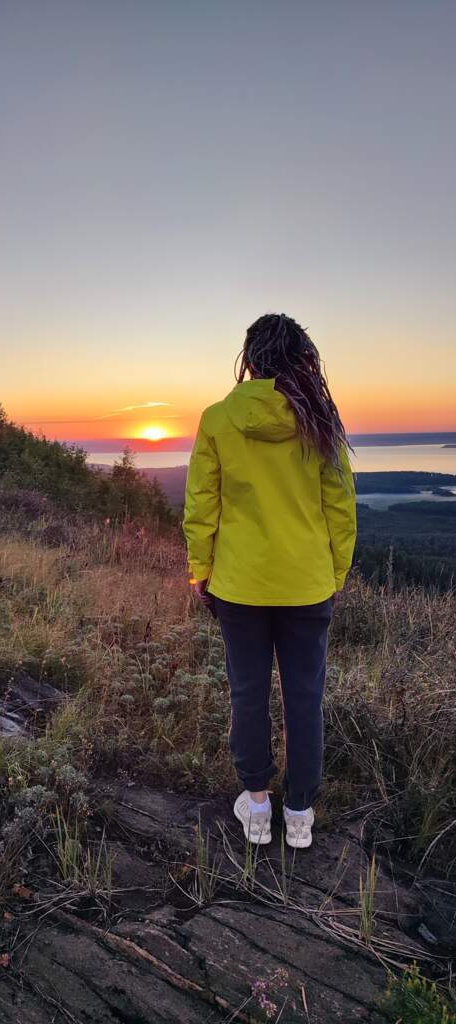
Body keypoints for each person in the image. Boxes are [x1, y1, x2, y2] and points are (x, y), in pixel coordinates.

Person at [183, 313, 357, 849]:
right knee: (305, 698)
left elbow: (202, 505)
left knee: (248, 693)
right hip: (307, 586)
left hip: (239, 586)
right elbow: (340, 508)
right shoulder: (318, 419)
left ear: (251, 359)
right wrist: (334, 574)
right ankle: (299, 814)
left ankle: (258, 809)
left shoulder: (217, 419)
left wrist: (200, 571)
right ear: (301, 357)